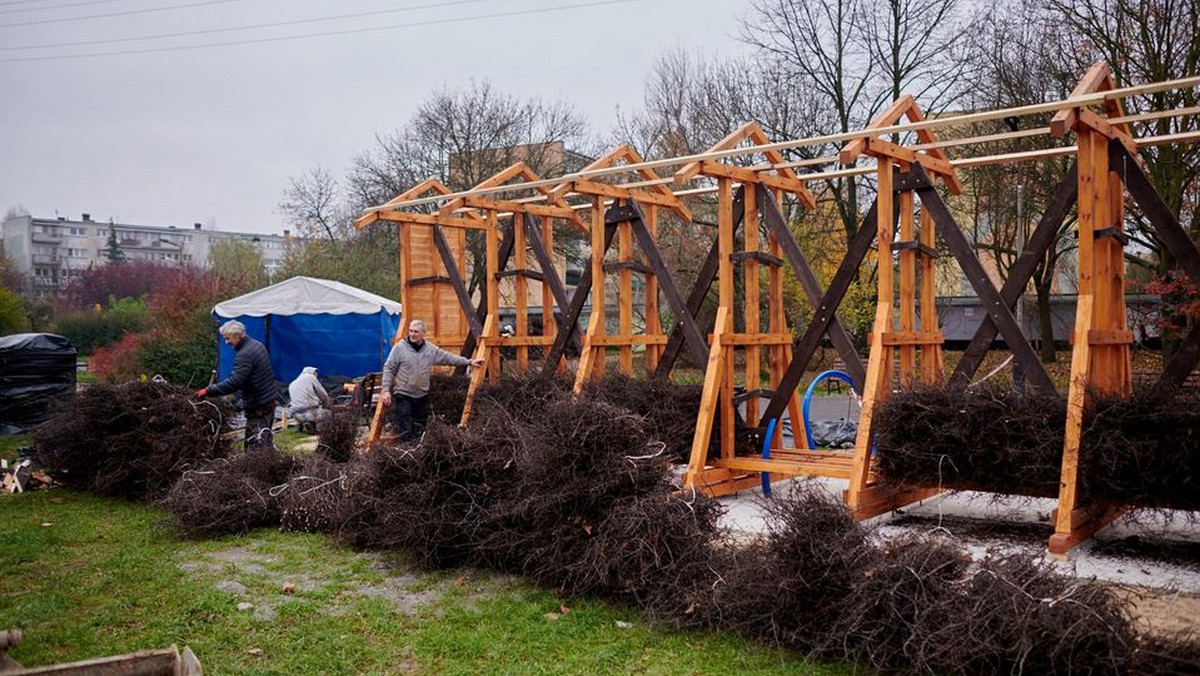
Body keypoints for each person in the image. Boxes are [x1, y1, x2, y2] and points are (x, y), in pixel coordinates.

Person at [381, 319, 482, 441]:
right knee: (405, 428)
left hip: (421, 396)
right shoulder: (399, 349)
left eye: (416, 332)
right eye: (411, 331)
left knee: (420, 429)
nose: (412, 334)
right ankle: (406, 453)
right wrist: (385, 389)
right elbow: (389, 368)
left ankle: (418, 453)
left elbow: (449, 358)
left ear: (423, 334)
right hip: (403, 394)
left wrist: (470, 362)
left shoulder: (430, 350)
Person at [195, 320, 277, 451]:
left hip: (259, 408)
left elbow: (235, 382)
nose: (226, 342)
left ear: (238, 335)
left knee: (256, 448)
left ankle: (264, 469)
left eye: (227, 338)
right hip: (267, 402)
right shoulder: (257, 345)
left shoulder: (245, 354)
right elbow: (253, 379)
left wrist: (208, 390)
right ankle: (272, 467)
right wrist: (242, 403)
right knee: (264, 441)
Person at [288, 366, 332, 432]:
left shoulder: (292, 383)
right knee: (328, 413)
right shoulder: (310, 377)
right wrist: (327, 405)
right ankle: (319, 430)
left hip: (296, 415)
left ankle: (303, 425)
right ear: (313, 373)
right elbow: (323, 394)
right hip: (310, 412)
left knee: (301, 405)